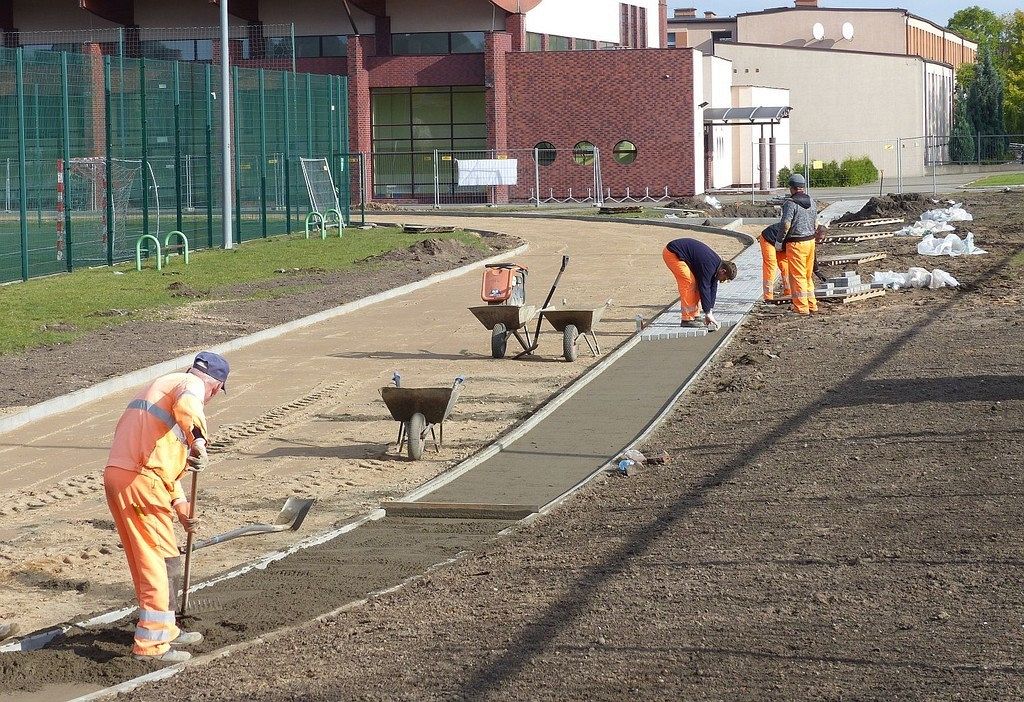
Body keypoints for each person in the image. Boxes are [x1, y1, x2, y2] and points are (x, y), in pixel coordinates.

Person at [103, 351, 229, 664]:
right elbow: (190, 408)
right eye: (216, 391)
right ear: (215, 385)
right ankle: (150, 645)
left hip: (131, 476)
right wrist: (199, 440)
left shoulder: (163, 393)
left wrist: (181, 505)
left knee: (164, 557)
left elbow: (163, 465)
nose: (211, 397)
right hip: (139, 480)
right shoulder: (190, 386)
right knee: (157, 562)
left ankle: (166, 628)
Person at [763, 173, 818, 314]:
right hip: (810, 241)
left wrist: (779, 242)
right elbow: (815, 223)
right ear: (803, 187)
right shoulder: (812, 201)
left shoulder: (790, 203)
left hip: (796, 244)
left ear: (791, 188)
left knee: (797, 276)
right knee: (807, 275)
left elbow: (786, 224)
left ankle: (801, 308)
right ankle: (812, 305)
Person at [662, 237, 738, 329]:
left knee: (697, 283)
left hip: (681, 253)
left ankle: (694, 315)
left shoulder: (716, 266)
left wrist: (710, 311)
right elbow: (705, 288)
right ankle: (687, 319)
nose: (723, 280)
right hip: (673, 253)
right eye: (725, 278)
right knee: (689, 282)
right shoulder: (709, 266)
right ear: (723, 271)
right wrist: (707, 313)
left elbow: (713, 287)